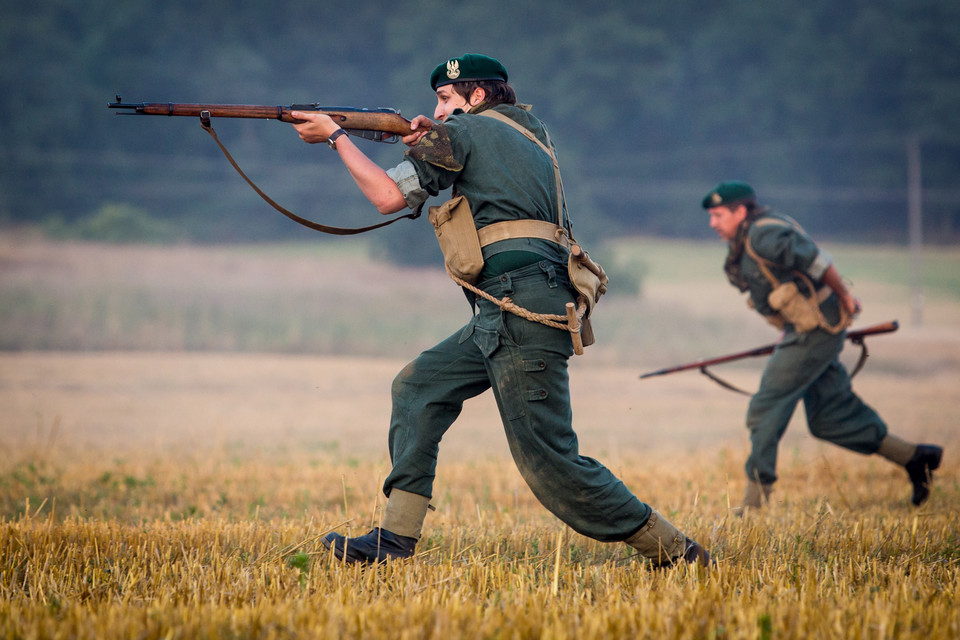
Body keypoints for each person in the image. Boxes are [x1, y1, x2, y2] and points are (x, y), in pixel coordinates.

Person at [289, 54, 712, 567]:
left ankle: (678, 553)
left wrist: (336, 136)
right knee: (418, 388)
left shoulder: (463, 133)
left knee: (550, 460)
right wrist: (432, 133)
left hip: (520, 304)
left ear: (477, 97)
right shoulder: (529, 133)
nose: (437, 110)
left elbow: (385, 197)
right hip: (513, 304)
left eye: (446, 99)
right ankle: (394, 540)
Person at [702, 180, 943, 511]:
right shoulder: (747, 239)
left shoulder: (763, 235)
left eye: (717, 215)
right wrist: (790, 331)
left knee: (765, 408)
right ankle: (916, 458)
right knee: (829, 418)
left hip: (815, 331)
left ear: (740, 211)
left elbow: (818, 262)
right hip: (804, 331)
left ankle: (754, 505)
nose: (713, 223)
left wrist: (845, 298)